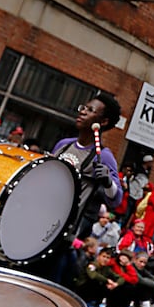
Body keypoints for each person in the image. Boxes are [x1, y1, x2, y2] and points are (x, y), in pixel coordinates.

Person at [52, 92, 123, 239]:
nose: (83, 111)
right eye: (84, 107)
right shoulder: (63, 145)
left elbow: (116, 200)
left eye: (90, 110)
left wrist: (108, 182)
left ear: (103, 122)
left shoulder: (104, 156)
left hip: (63, 232)